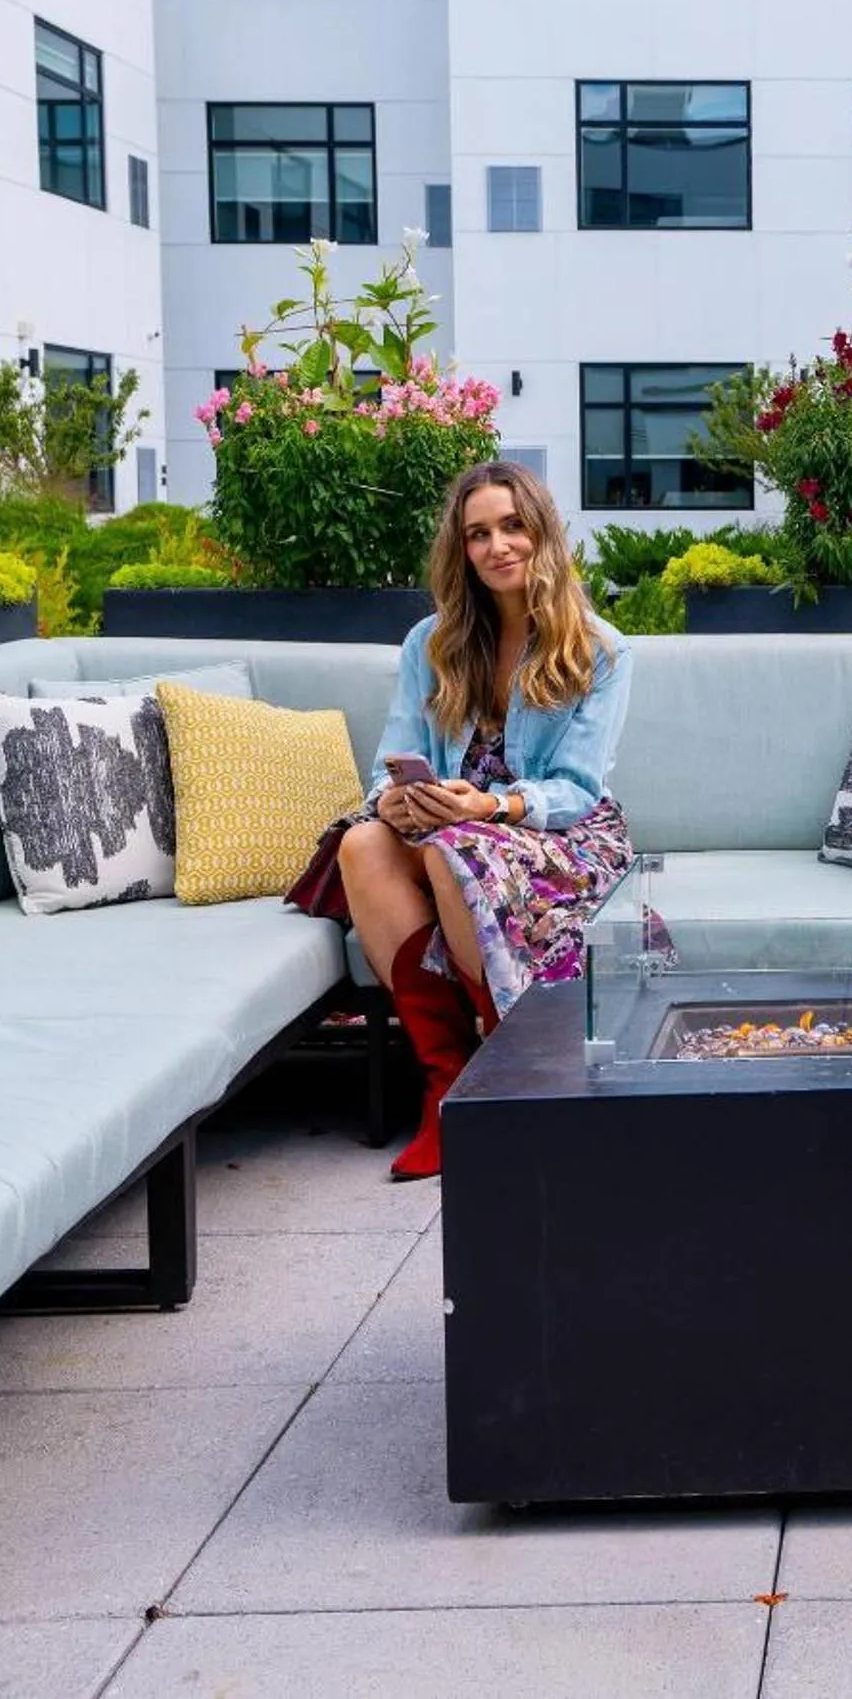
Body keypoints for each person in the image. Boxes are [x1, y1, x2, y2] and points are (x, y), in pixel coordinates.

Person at [333, 462, 633, 1181]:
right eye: (478, 534)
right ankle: (445, 1081)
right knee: (365, 842)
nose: (498, 546)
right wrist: (395, 800)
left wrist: (491, 806)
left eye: (512, 527)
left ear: (542, 534)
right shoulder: (428, 644)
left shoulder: (601, 649)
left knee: (452, 853)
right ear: (460, 548)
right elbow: (391, 760)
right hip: (445, 825)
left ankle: (502, 1080)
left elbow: (578, 789)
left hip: (555, 833)